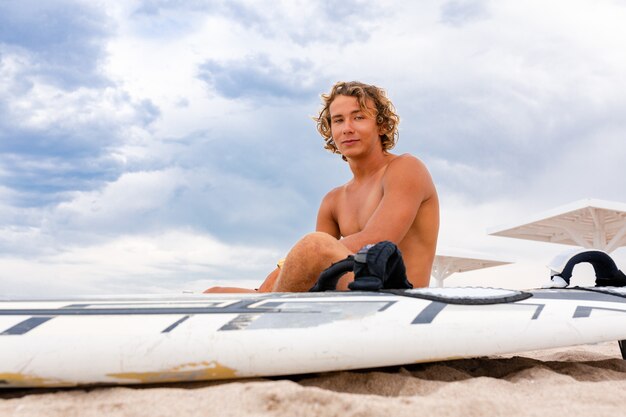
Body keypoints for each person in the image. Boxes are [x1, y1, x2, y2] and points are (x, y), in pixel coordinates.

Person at [205, 81, 439, 293]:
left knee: (314, 245)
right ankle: (267, 304)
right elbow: (310, 265)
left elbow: (377, 241)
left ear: (381, 126)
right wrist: (276, 279)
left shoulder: (406, 168)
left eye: (358, 117)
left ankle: (267, 311)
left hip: (399, 295)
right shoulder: (334, 200)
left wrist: (287, 268)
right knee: (213, 294)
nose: (347, 128)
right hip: (351, 290)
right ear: (330, 131)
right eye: (338, 120)